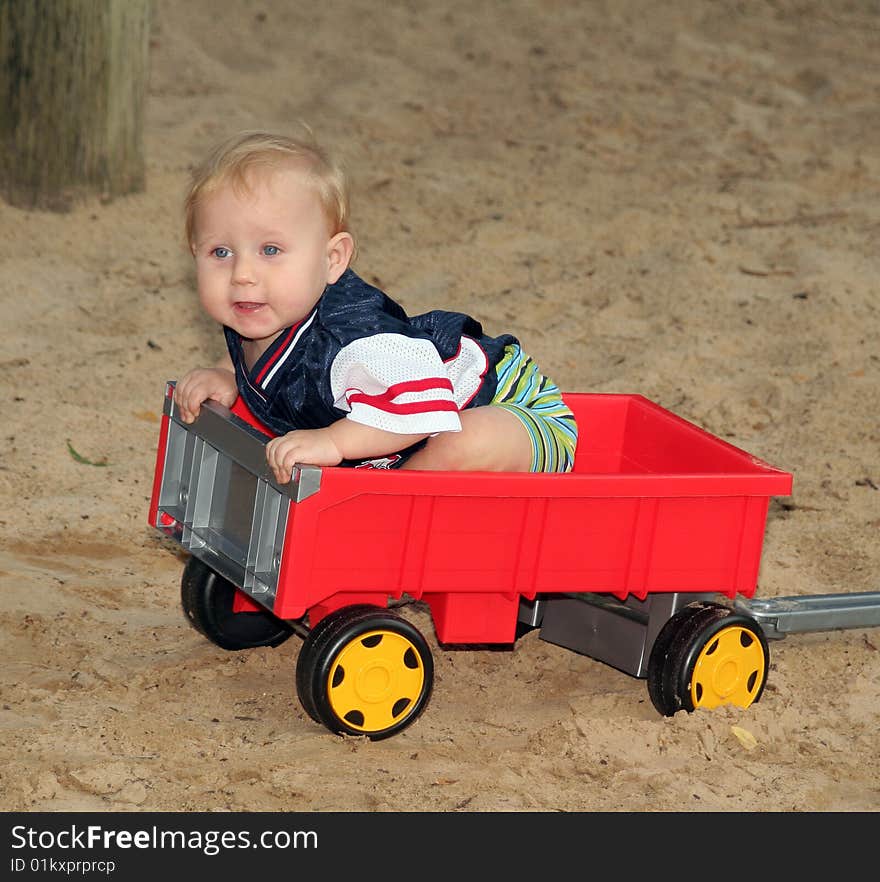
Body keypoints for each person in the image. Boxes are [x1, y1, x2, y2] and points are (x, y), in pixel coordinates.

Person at [174, 129, 577, 483]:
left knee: (468, 442)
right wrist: (227, 374)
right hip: (410, 426)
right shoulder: (262, 311)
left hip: (517, 412)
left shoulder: (354, 341)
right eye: (221, 251)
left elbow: (418, 411)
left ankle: (385, 510)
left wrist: (333, 441)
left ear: (332, 259)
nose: (243, 273)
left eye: (271, 249)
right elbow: (265, 360)